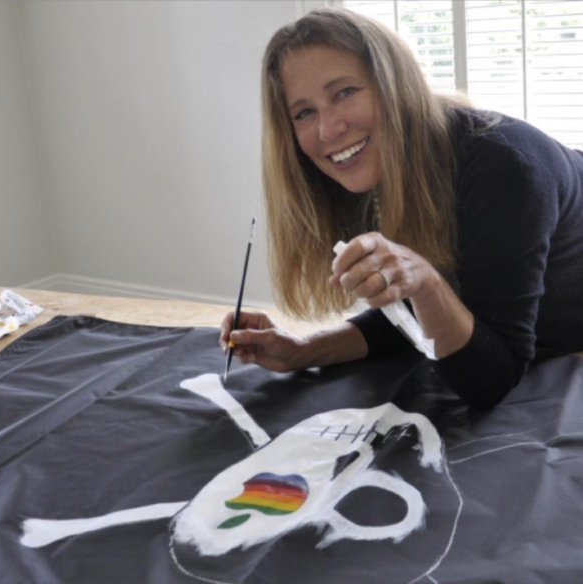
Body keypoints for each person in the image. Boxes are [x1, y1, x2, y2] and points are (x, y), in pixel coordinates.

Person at [219, 6, 583, 409]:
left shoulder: (506, 168)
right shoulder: (382, 166)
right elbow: (410, 319)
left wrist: (425, 280)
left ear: (394, 84)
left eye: (345, 92)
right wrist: (302, 350)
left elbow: (492, 379)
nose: (328, 129)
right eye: (304, 112)